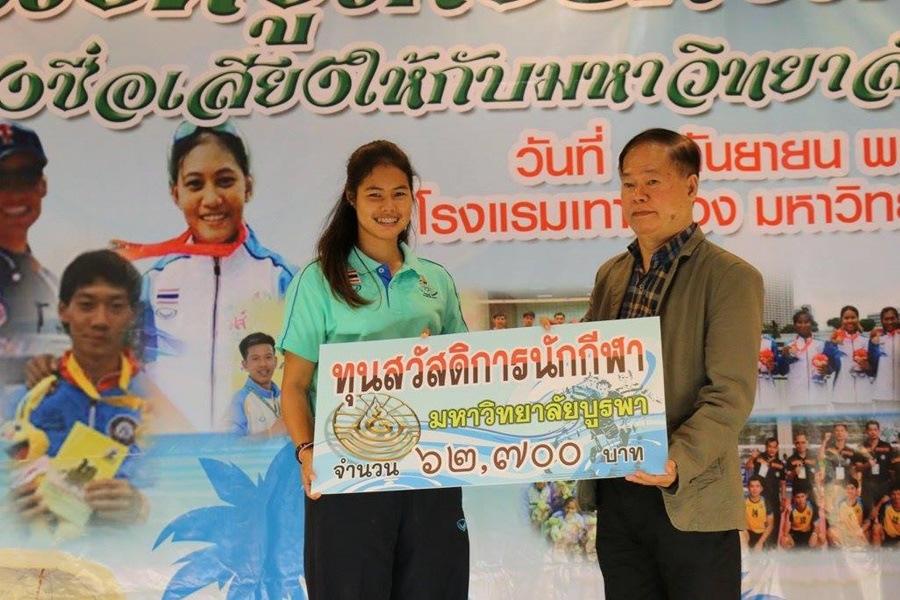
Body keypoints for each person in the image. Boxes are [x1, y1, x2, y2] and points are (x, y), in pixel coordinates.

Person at [277, 140, 469, 599]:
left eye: (399, 194)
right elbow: (295, 386)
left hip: (429, 472)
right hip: (347, 473)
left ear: (413, 199)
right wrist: (307, 452)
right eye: (375, 194)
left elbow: (467, 372)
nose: (389, 207)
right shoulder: (318, 280)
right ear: (351, 198)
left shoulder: (435, 280)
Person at [577, 129, 763, 598]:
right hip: (618, 494)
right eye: (628, 183)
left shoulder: (731, 277)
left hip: (690, 496)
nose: (638, 195)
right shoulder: (610, 275)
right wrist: (550, 356)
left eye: (653, 181)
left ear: (691, 186)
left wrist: (676, 459)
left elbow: (730, 395)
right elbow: (585, 371)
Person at [111, 120, 297, 431]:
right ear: (176, 193)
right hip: (175, 456)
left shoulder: (282, 279)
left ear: (248, 186)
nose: (211, 199)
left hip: (260, 454)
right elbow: (126, 374)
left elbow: (308, 378)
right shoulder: (154, 283)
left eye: (225, 181)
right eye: (195, 184)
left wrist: (272, 438)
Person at [9, 250, 149, 527]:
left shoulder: (154, 401)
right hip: (43, 551)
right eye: (86, 305)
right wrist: (8, 510)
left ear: (132, 315)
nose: (100, 320)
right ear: (63, 311)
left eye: (115, 306)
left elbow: (187, 480)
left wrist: (143, 506)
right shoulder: (27, 399)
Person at [0, 121, 67, 393]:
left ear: (42, 185)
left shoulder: (49, 279)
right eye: (2, 180)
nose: (15, 193)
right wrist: (28, 367)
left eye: (25, 177)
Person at [229, 332, 282, 436]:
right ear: (245, 364)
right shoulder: (239, 401)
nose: (263, 364)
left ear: (275, 361)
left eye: (268, 357)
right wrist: (271, 433)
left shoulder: (286, 396)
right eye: (255, 358)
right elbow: (231, 443)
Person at [779, 308, 828, 411]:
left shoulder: (821, 344)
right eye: (799, 322)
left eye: (806, 322)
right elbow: (783, 371)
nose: (803, 325)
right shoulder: (789, 345)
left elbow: (830, 368)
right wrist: (784, 357)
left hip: (818, 398)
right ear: (794, 325)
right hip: (797, 399)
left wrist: (826, 369)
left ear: (811, 324)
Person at [824, 305, 872, 409]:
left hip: (864, 395)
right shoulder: (834, 342)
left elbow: (874, 369)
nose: (850, 320)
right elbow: (828, 367)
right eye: (846, 318)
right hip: (842, 396)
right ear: (841, 320)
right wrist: (831, 344)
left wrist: (868, 367)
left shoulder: (866, 340)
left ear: (857, 319)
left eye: (853, 317)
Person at [744, 437, 786, 537]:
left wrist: (783, 499)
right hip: (760, 499)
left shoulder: (780, 464)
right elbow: (748, 467)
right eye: (770, 447)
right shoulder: (759, 458)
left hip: (774, 499)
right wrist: (752, 458)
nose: (772, 449)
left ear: (777, 449)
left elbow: (783, 483)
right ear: (766, 447)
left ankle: (772, 545)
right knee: (759, 527)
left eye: (774, 447)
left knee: (774, 527)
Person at [855, 420, 894, 517]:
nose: (873, 432)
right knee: (868, 515)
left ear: (879, 431)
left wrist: (892, 487)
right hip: (868, 486)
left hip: (883, 485)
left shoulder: (887, 446)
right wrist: (867, 465)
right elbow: (858, 468)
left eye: (875, 430)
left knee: (882, 515)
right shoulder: (861, 447)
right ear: (866, 431)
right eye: (870, 430)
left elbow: (892, 469)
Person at [826, 479, 871, 547]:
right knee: (830, 532)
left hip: (858, 531)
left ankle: (866, 552)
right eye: (847, 489)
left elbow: (868, 521)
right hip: (845, 532)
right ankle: (838, 552)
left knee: (867, 533)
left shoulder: (862, 502)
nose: (849, 491)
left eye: (852, 488)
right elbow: (836, 522)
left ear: (856, 490)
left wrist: (860, 531)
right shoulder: (840, 503)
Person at [778, 483, 824, 550]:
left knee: (821, 537)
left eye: (802, 496)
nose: (801, 499)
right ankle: (792, 554)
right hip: (795, 535)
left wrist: (814, 534)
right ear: (794, 498)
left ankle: (813, 553)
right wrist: (787, 514)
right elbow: (785, 532)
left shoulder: (812, 507)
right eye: (798, 497)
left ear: (806, 496)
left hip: (808, 533)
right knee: (783, 540)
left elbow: (817, 526)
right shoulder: (791, 510)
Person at [868, 306, 899, 404]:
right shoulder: (875, 339)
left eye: (892, 318)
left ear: (897, 319)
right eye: (886, 319)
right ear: (881, 320)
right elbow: (872, 365)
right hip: (881, 394)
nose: (890, 322)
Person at [742, 475, 774, 551]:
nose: (754, 489)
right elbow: (738, 520)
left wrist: (760, 543)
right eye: (752, 486)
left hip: (761, 534)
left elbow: (770, 525)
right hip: (747, 533)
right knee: (740, 534)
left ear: (761, 488)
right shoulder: (743, 501)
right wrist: (744, 531)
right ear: (748, 488)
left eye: (757, 486)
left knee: (763, 554)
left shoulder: (766, 502)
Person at [755, 334, 780, 412]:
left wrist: (773, 367)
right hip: (749, 388)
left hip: (767, 386)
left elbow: (778, 367)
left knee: (769, 414)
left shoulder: (770, 342)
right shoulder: (739, 344)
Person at [873, 483, 900, 548]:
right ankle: (877, 553)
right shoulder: (886, 505)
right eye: (893, 494)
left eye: (899, 494)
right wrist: (881, 502)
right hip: (886, 536)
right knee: (876, 528)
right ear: (890, 496)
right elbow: (872, 515)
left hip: (898, 538)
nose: (896, 497)